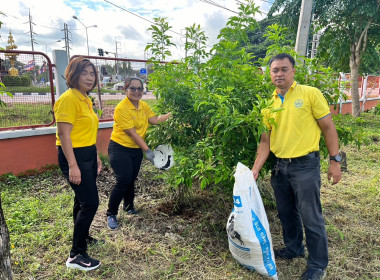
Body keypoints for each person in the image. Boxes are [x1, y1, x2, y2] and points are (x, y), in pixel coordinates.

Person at [251, 53, 342, 280]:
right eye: (275, 70)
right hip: (280, 167)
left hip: (305, 166)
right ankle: (293, 249)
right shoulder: (268, 105)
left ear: (293, 72)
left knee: (311, 217)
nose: (279, 74)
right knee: (286, 214)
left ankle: (318, 265)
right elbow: (265, 141)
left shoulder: (310, 94)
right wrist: (255, 169)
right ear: (269, 74)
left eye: (284, 69)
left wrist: (335, 161)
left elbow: (328, 128)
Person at [54, 57, 102, 271]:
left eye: (92, 74)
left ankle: (83, 236)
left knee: (81, 200)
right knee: (90, 203)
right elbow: (64, 135)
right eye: (85, 73)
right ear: (74, 74)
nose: (90, 77)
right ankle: (76, 255)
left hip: (88, 153)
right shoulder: (68, 98)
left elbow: (86, 131)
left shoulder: (85, 98)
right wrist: (73, 165)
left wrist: (96, 156)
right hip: (74, 156)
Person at [106, 77, 171, 230]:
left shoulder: (143, 105)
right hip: (120, 148)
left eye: (139, 89)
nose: (137, 91)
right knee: (123, 180)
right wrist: (147, 150)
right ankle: (111, 213)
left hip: (135, 150)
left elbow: (155, 120)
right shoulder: (121, 108)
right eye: (133, 88)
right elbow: (132, 133)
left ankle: (129, 207)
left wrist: (172, 114)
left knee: (131, 179)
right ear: (125, 90)